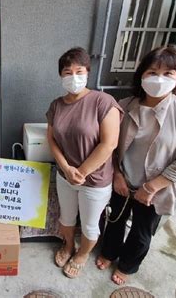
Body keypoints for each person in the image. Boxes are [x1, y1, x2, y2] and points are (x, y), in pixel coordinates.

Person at [96, 46, 176, 285]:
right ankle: (108, 252)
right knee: (114, 220)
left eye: (168, 73)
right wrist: (117, 174)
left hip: (158, 186)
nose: (159, 78)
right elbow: (110, 145)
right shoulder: (125, 105)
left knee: (142, 231)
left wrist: (153, 187)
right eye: (152, 72)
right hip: (123, 179)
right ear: (142, 75)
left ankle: (128, 265)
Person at [46, 47, 122, 278]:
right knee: (66, 217)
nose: (74, 77)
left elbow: (109, 144)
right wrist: (67, 169)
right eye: (67, 72)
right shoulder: (56, 105)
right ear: (61, 76)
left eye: (79, 71)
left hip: (95, 180)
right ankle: (68, 245)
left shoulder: (103, 101)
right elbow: (51, 139)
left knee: (90, 225)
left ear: (88, 72)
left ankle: (82, 254)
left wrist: (80, 171)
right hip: (65, 175)